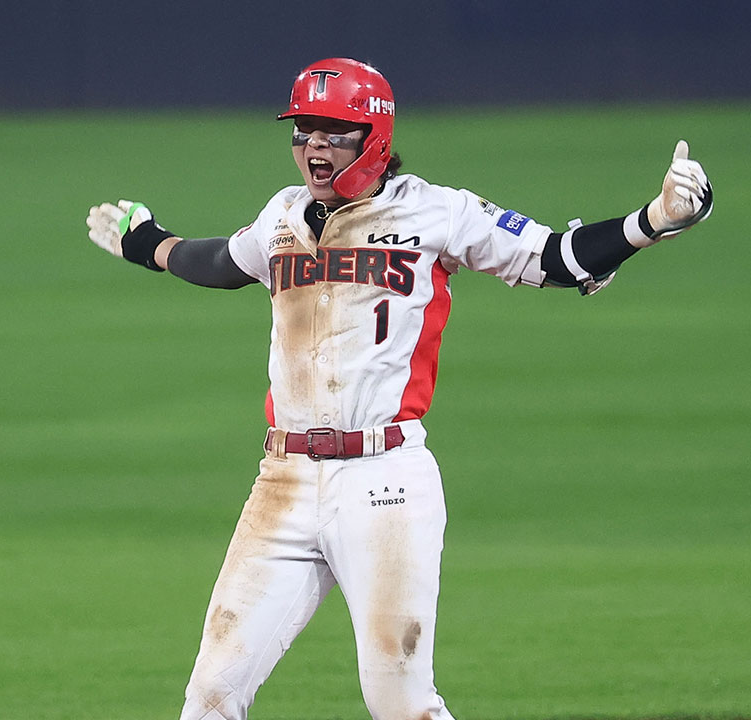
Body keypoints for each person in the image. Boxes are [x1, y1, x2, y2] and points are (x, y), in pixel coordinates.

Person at [86, 57, 712, 720]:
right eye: (303, 130)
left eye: (333, 131)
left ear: (374, 135)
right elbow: (219, 262)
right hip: (284, 482)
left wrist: (656, 218)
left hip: (384, 481)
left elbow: (559, 258)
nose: (314, 146)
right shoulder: (283, 215)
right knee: (210, 694)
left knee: (399, 699)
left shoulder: (436, 213)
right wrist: (147, 242)